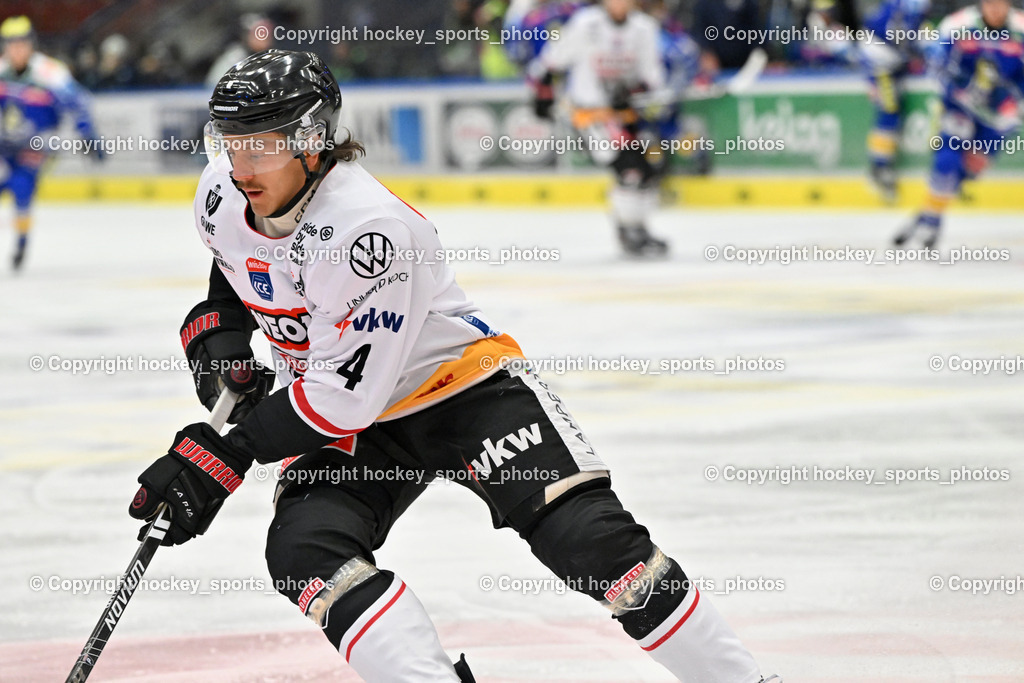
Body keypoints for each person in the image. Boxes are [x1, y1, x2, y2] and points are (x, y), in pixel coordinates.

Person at [128, 49, 778, 682]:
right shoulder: (221, 193)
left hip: (462, 392)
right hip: (356, 418)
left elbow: (340, 399)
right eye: (231, 143)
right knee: (305, 552)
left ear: (312, 140)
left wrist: (226, 452)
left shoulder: (367, 229)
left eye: (261, 144)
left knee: (597, 546)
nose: (241, 165)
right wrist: (223, 335)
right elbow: (236, 263)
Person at [529, 0, 672, 257]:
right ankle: (630, 230)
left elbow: (651, 76)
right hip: (591, 115)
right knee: (629, 168)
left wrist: (640, 92)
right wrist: (542, 92)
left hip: (624, 116)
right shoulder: (586, 24)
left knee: (647, 170)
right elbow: (552, 62)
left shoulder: (644, 28)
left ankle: (635, 226)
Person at [894, 0, 1024, 248]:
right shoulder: (957, 26)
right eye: (990, 3)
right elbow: (934, 63)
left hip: (998, 112)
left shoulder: (1021, 28)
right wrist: (960, 88)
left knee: (970, 170)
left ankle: (925, 214)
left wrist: (1015, 104)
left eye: (1001, 3)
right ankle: (932, 223)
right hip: (960, 106)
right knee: (948, 160)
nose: (995, 9)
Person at [0, 15, 103, 270]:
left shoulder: (49, 72)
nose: (17, 49)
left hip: (36, 145)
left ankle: (22, 241)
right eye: (11, 43)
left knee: (21, 188)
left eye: (21, 42)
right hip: (4, 144)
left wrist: (88, 135)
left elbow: (78, 103)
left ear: (31, 43)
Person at [858, 0, 933, 202]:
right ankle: (879, 166)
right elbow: (900, 33)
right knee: (889, 110)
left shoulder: (909, 6)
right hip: (880, 62)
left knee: (890, 110)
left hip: (890, 60)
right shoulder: (905, 6)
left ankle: (880, 166)